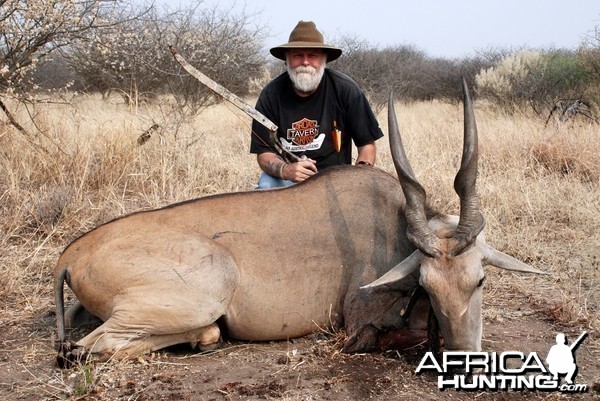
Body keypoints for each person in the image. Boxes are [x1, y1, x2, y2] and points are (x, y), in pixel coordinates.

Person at [250, 20, 384, 189]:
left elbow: (367, 145)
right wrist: (286, 170)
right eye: (297, 55)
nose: (305, 62)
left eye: (313, 56)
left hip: (336, 180)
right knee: (266, 187)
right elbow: (264, 153)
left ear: (324, 60)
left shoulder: (346, 90)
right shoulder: (270, 95)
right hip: (289, 179)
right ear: (287, 60)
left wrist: (358, 180)